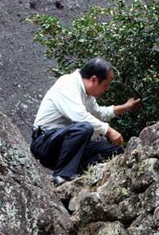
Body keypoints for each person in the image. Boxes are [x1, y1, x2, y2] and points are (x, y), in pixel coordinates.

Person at [30, 58, 141, 186]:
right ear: (94, 80)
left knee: (113, 150)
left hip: (64, 146)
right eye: (106, 84)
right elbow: (79, 116)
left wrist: (126, 107)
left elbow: (99, 113)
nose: (107, 89)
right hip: (44, 142)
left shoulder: (87, 95)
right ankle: (61, 177)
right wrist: (108, 130)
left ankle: (78, 176)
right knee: (84, 129)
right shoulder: (68, 84)